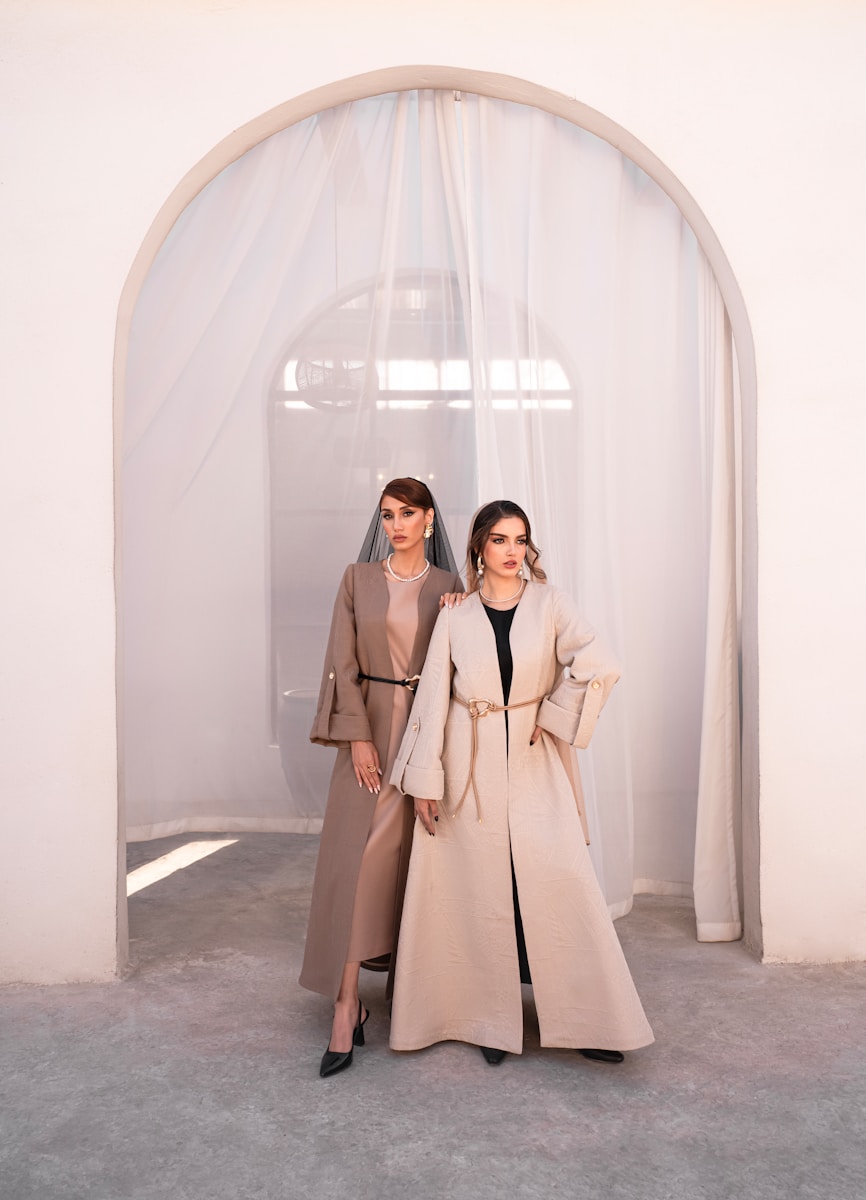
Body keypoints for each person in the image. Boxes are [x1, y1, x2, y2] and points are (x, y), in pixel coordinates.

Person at [389, 500, 653, 1065]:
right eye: (501, 540)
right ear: (480, 547)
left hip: (535, 760)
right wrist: (426, 780)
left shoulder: (551, 603)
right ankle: (489, 1020)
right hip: (469, 759)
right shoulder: (455, 616)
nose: (513, 552)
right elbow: (433, 696)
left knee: (559, 883)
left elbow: (600, 662)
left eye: (521, 540)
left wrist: (553, 715)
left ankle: (590, 1020)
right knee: (481, 889)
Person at [299, 478, 463, 1077]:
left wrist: (457, 613)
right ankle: (347, 1006)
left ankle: (416, 997)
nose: (396, 524)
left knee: (415, 872)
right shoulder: (357, 578)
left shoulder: (451, 588)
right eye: (388, 514)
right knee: (357, 867)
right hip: (367, 736)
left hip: (422, 739)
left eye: (408, 514)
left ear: (428, 520)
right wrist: (358, 736)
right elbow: (341, 662)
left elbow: (462, 665)